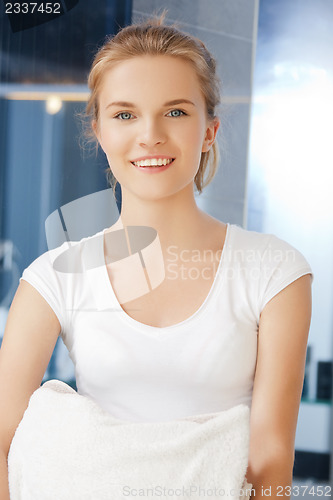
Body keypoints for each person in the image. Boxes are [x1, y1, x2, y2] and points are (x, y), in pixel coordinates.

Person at [0, 12, 312, 499]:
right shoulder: (56, 278)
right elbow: (2, 441)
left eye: (176, 112)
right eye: (125, 114)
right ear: (100, 132)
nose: (150, 135)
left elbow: (271, 465)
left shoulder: (273, 272)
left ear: (209, 130)